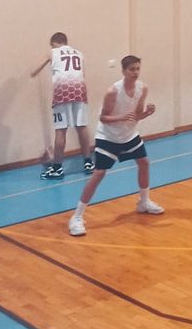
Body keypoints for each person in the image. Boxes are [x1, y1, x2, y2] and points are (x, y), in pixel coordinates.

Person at [68, 55, 163, 236]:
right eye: (131, 69)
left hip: (129, 135)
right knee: (99, 174)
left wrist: (147, 113)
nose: (135, 72)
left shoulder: (142, 88)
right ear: (123, 71)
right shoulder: (113, 91)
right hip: (108, 137)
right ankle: (77, 216)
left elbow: (136, 115)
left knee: (144, 162)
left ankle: (144, 202)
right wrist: (121, 117)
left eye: (137, 69)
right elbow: (103, 117)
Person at [30, 32, 94, 179]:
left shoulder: (52, 52)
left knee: (61, 130)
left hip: (62, 92)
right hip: (80, 91)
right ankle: (88, 162)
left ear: (54, 43)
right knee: (81, 127)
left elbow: (33, 71)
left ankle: (57, 168)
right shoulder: (79, 53)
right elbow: (82, 75)